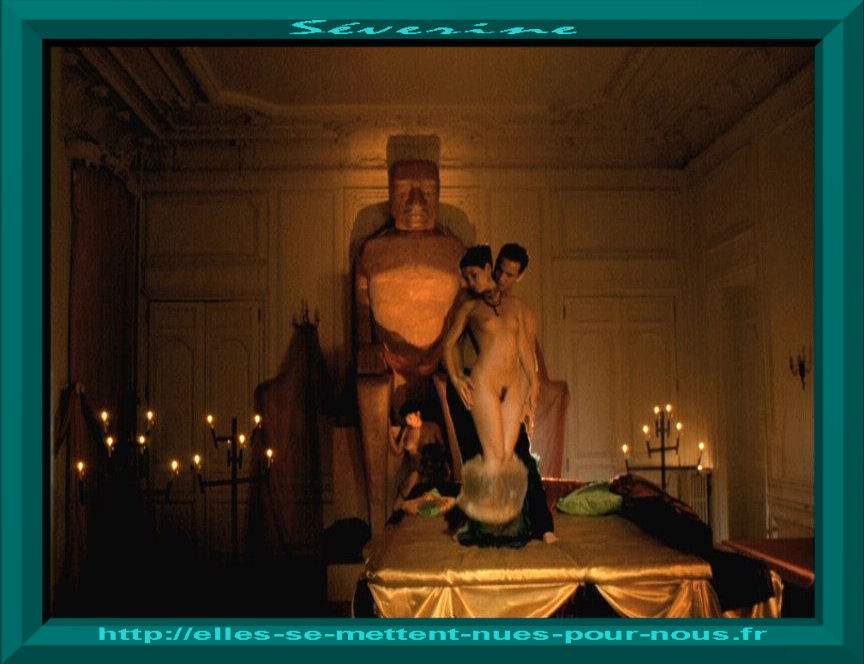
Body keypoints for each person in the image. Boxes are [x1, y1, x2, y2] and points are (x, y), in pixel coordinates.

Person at [443, 245, 538, 527]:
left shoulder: (515, 306)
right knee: (493, 456)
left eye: (474, 275)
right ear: (493, 268)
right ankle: (485, 521)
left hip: (513, 386)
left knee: (507, 456)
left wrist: (533, 393)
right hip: (485, 381)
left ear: (486, 269)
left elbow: (526, 351)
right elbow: (448, 345)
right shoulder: (470, 307)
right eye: (466, 277)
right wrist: (457, 377)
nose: (470, 283)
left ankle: (505, 519)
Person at [492, 243, 557, 543]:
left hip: (512, 393)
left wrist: (530, 400)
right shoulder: (479, 302)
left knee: (522, 458)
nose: (502, 278)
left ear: (519, 277)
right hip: (484, 393)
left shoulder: (523, 312)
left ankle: (542, 525)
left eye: (510, 274)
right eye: (500, 271)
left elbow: (529, 359)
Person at [388, 400, 458, 523]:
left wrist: (439, 462)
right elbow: (397, 450)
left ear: (418, 414)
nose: (409, 420)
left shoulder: (432, 427)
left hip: (433, 466)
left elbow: (442, 447)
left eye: (411, 416)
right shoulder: (407, 430)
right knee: (407, 495)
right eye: (407, 418)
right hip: (416, 469)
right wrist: (388, 430)